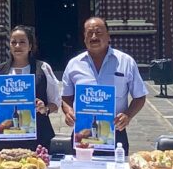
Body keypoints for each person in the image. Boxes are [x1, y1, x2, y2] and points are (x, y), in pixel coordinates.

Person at [61, 17, 147, 155]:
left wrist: (128, 115)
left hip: (115, 133)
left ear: (108, 36)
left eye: (99, 33)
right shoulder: (74, 64)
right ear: (84, 38)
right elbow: (66, 97)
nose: (94, 37)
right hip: (82, 134)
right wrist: (68, 112)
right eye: (89, 33)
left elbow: (140, 96)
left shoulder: (126, 62)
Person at [0, 25, 60, 151]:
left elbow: (55, 102)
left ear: (30, 46)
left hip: (38, 137)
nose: (17, 46)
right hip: (6, 137)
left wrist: (44, 108)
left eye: (22, 42)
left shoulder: (43, 68)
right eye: (14, 42)